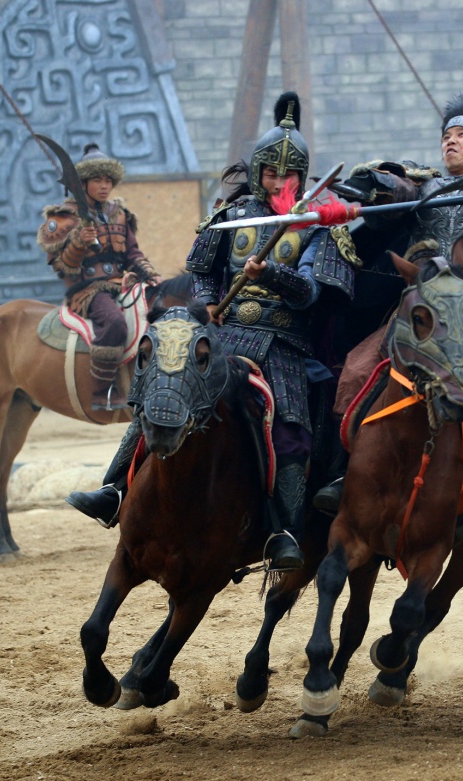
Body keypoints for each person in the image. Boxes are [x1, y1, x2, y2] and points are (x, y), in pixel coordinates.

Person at [67, 92, 358, 573]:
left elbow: (310, 294)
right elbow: (201, 270)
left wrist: (272, 276)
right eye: (271, 172)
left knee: (291, 432)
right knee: (164, 390)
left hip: (283, 343)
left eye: (289, 175)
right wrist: (205, 303)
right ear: (259, 169)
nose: (279, 181)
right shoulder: (231, 214)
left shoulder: (316, 225)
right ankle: (114, 489)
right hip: (225, 335)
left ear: (302, 178)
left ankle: (283, 531)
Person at [313, 96, 463, 536]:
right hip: (418, 309)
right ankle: (342, 473)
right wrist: (378, 183)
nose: (450, 143)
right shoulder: (425, 187)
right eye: (446, 137)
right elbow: (396, 189)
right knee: (355, 370)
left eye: (461, 136)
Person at [37, 144, 161, 410]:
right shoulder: (64, 217)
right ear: (83, 183)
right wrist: (79, 243)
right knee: (115, 323)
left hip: (123, 284)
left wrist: (150, 276)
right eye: (97, 180)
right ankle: (102, 393)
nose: (104, 186)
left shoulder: (119, 213)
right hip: (87, 290)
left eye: (108, 181)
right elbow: (63, 267)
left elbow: (133, 254)